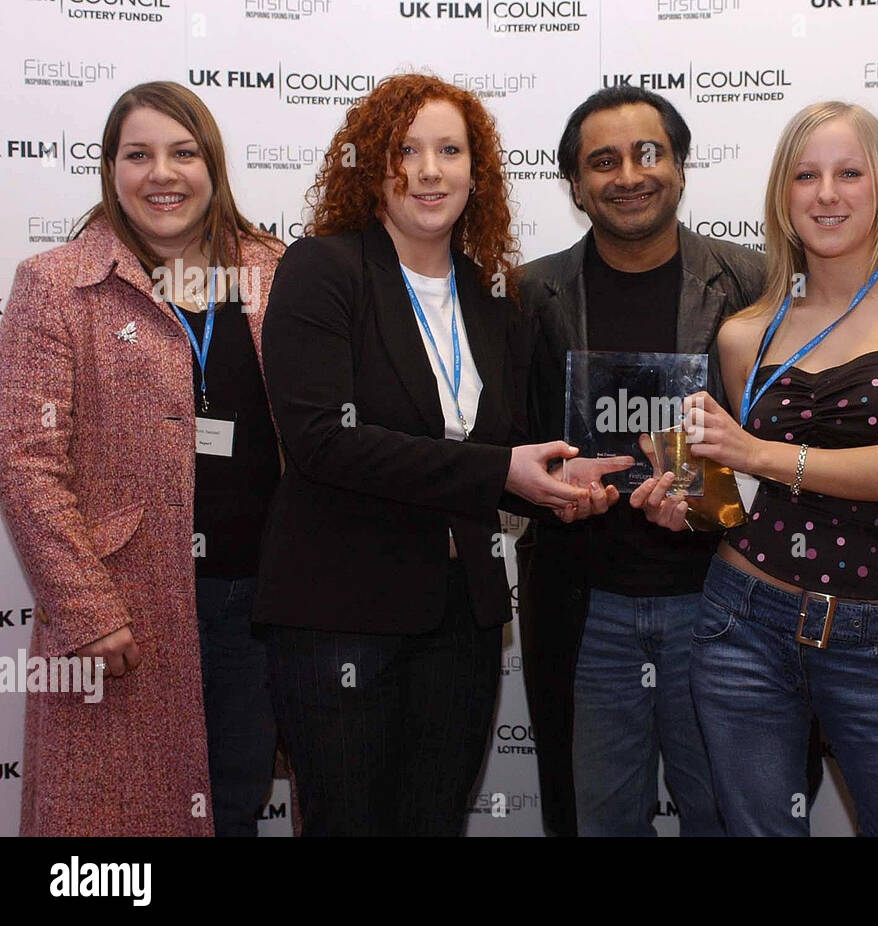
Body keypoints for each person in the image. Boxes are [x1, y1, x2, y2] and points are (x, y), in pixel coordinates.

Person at [254, 73, 604, 837]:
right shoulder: (322, 269)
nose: (428, 170)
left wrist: (546, 483)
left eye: (450, 150)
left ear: (477, 172)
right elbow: (322, 442)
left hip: (462, 621)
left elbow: (492, 455)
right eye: (403, 150)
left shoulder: (494, 298)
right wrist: (498, 471)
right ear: (369, 167)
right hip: (339, 616)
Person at [635, 100, 878, 836]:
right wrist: (686, 503)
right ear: (783, 199)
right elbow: (737, 496)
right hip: (741, 623)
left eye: (849, 173)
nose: (827, 194)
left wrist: (754, 452)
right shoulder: (743, 335)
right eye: (806, 176)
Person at [0, 81, 283, 836]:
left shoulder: (273, 275)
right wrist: (87, 611)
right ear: (110, 169)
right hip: (126, 608)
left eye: (183, 152)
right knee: (114, 820)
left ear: (212, 165)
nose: (163, 173)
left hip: (258, 606)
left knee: (233, 808)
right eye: (139, 155)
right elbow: (27, 463)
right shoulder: (56, 285)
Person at [516, 86, 773, 837]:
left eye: (647, 153)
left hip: (722, 605)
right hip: (586, 603)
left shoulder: (752, 284)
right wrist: (553, 491)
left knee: (727, 816)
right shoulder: (531, 294)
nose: (628, 174)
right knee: (597, 822)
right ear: (574, 185)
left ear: (682, 168)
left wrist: (716, 495)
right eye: (603, 161)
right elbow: (513, 441)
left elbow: (789, 445)